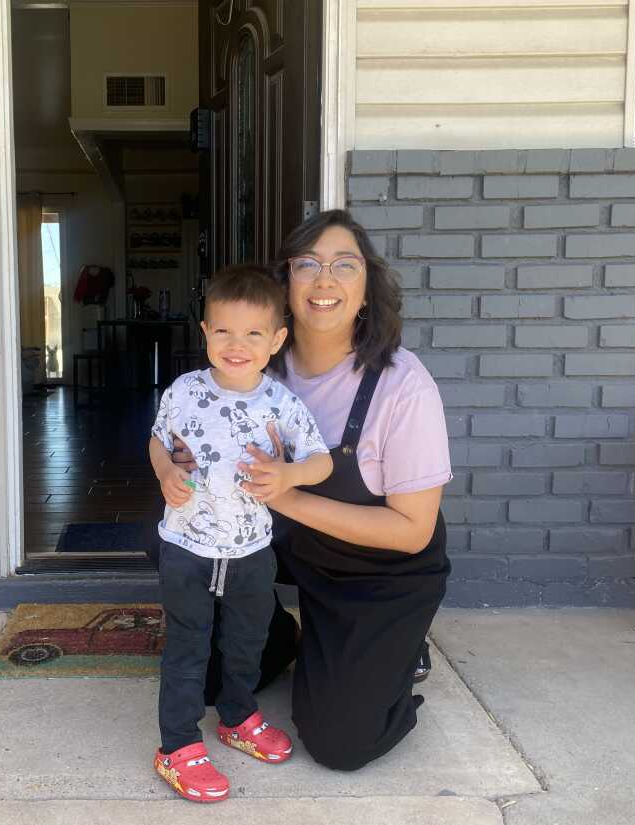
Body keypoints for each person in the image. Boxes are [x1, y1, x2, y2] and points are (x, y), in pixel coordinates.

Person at [169, 209, 452, 772]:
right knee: (175, 554)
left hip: (380, 575)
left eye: (344, 265)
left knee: (341, 743)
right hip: (290, 551)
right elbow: (191, 440)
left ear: (367, 288)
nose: (325, 280)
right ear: (285, 286)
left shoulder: (403, 385)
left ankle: (395, 649)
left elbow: (413, 531)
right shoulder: (254, 366)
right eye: (308, 265)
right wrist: (183, 467)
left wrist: (285, 494)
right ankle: (278, 637)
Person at [148, 266, 334, 803]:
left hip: (252, 550)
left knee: (246, 641)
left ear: (276, 340)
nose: (237, 345)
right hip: (186, 548)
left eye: (254, 334)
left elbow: (320, 462)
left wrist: (291, 474)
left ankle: (237, 716)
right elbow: (159, 442)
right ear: (205, 331)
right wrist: (164, 472)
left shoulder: (281, 403)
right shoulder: (184, 391)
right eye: (224, 331)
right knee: (188, 646)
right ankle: (177, 745)